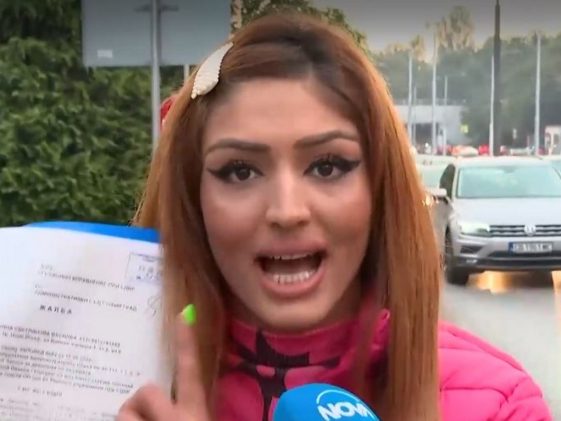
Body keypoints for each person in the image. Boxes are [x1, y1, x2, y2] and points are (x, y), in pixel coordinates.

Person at [118, 12, 552, 421]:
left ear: (380, 188)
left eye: (327, 166)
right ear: (193, 199)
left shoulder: (500, 405)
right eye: (240, 171)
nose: (287, 211)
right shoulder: (119, 383)